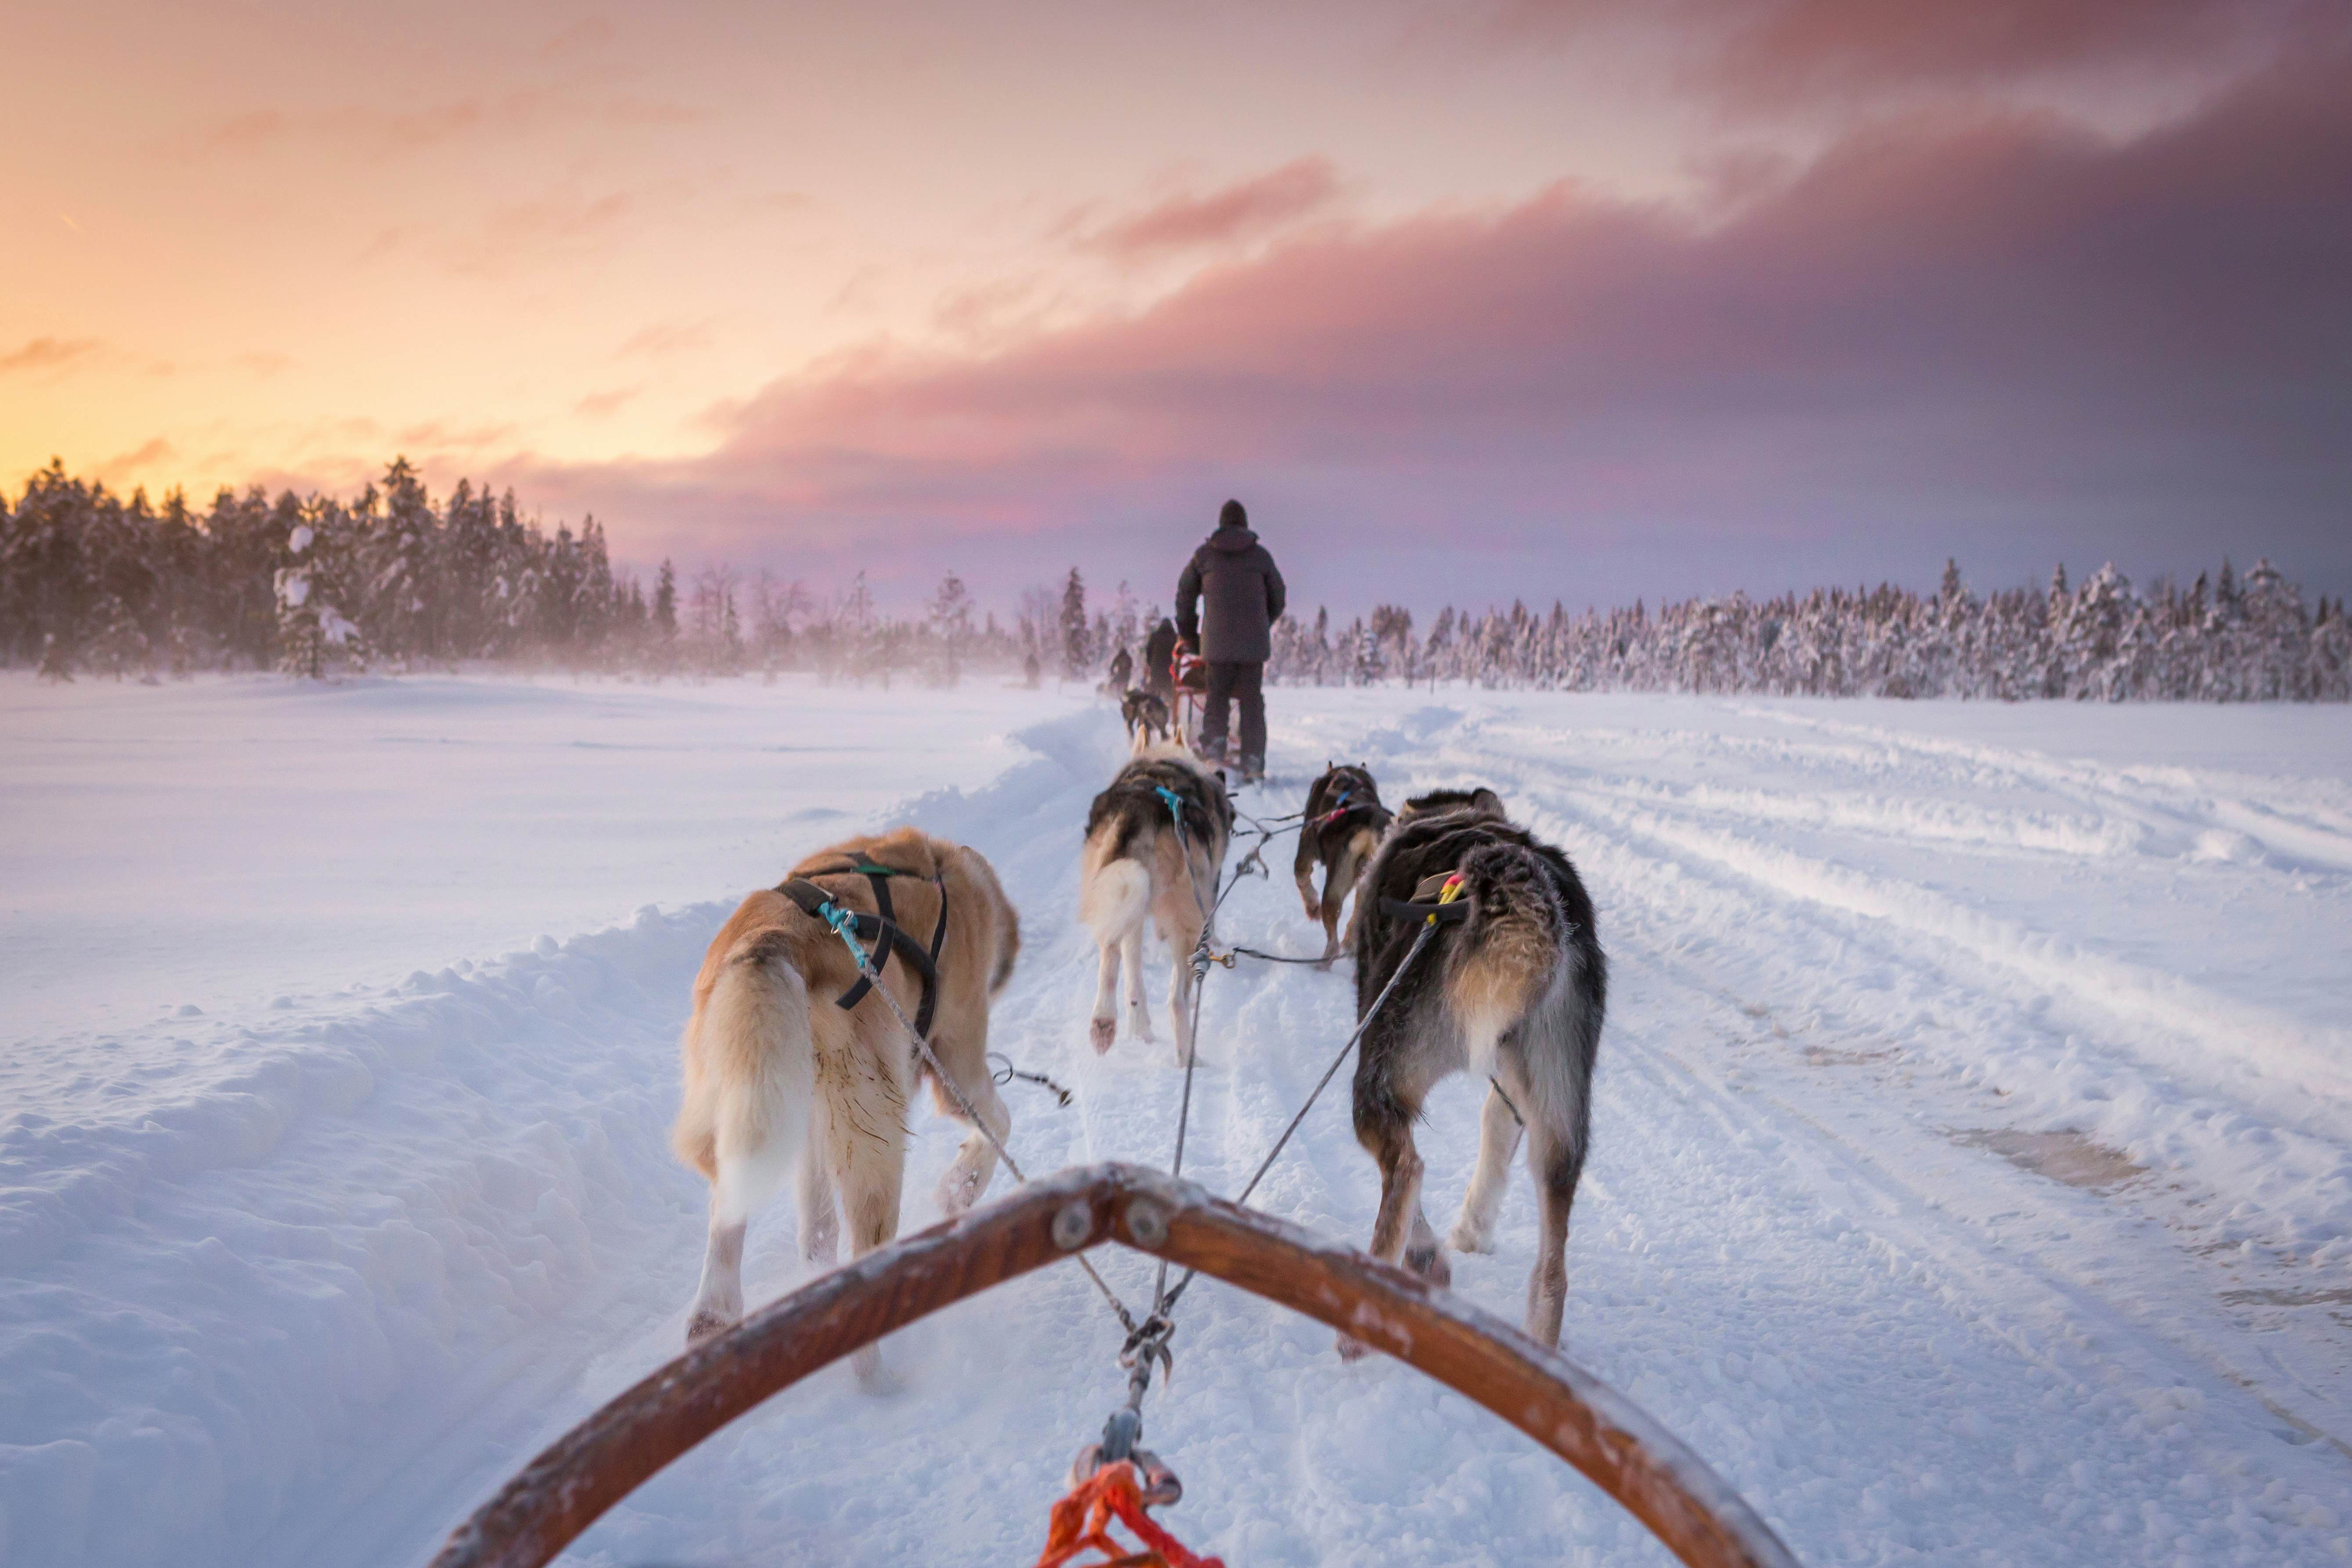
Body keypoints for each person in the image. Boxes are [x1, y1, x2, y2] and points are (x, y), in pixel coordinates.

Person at [1175, 498, 1285, 780]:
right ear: (1245, 525)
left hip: (1216, 646)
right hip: (1253, 647)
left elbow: (1185, 595)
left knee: (1217, 698)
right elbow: (1279, 597)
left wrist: (1189, 634)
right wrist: (1262, 623)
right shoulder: (1261, 557)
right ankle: (1253, 762)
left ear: (1221, 525)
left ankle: (1213, 756)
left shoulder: (1204, 556)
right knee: (1251, 701)